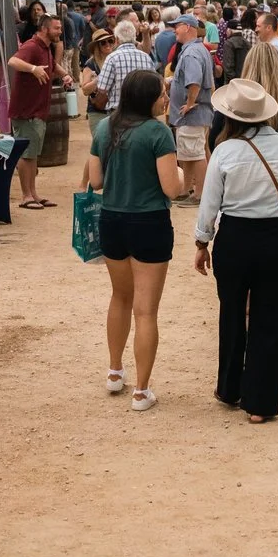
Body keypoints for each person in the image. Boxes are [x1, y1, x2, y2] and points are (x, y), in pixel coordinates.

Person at [194, 79, 278, 422]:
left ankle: (230, 387)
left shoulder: (225, 151)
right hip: (275, 236)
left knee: (231, 312)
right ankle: (261, 402)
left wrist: (202, 243)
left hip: (235, 237)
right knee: (271, 317)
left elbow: (209, 205)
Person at [86, 69, 186, 411]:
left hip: (112, 220)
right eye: (162, 92)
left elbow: (96, 181)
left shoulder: (104, 127)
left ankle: (115, 371)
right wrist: (185, 178)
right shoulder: (159, 133)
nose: (165, 97)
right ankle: (142, 391)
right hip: (149, 222)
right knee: (146, 311)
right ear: (148, 97)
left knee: (120, 296)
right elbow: (172, 188)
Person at [9, 12, 61, 211]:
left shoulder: (46, 47)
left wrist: (65, 76)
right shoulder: (32, 46)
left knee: (33, 154)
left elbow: (53, 66)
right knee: (26, 153)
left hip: (37, 109)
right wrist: (33, 69)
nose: (59, 31)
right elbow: (12, 62)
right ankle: (25, 195)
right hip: (26, 110)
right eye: (56, 28)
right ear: (45, 29)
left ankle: (33, 193)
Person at [165, 14, 217, 206]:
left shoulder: (190, 53)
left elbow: (194, 81)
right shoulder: (197, 49)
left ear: (187, 27)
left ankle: (199, 194)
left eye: (177, 26)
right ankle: (187, 190)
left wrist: (189, 103)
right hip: (195, 114)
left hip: (192, 115)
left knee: (195, 155)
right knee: (189, 154)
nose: (174, 30)